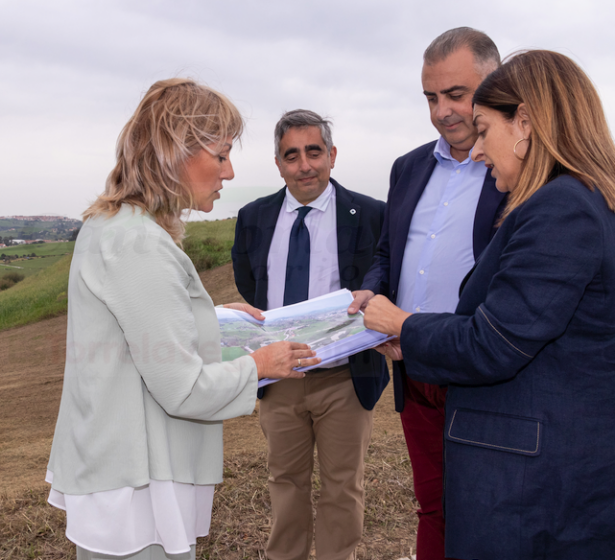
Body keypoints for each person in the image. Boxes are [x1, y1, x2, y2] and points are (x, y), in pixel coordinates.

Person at [45, 79, 320, 560]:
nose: (230, 171)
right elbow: (183, 389)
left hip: (119, 466)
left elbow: (133, 329)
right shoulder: (141, 245)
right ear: (175, 152)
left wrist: (211, 317)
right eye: (221, 154)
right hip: (138, 483)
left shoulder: (111, 225)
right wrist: (261, 365)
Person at [363, 49, 615, 559]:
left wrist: (404, 324)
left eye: (482, 129)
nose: (476, 151)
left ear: (523, 122)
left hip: (533, 480)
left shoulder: (561, 208)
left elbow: (494, 341)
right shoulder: (576, 200)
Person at [347, 27, 505, 560]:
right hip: (412, 368)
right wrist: (372, 295)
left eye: (456, 95)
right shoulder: (408, 166)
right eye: (431, 98)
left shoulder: (518, 169)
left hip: (482, 369)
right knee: (433, 505)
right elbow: (387, 255)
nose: (442, 111)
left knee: (491, 507)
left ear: (495, 84)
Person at [232, 109, 388, 560]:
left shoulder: (371, 214)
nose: (305, 165)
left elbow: (382, 276)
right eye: (292, 155)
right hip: (280, 379)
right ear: (278, 163)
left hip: (345, 377)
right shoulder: (253, 217)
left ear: (332, 155)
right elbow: (250, 281)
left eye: (314, 152)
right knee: (285, 483)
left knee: (344, 487)